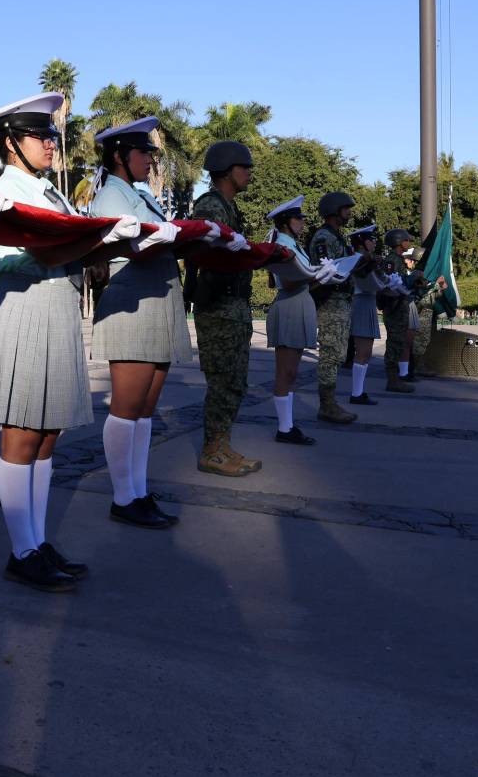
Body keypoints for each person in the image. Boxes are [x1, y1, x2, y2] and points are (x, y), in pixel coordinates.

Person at [0, 93, 110, 584]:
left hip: (56, 310)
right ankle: (21, 549)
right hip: (25, 308)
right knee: (23, 431)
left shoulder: (51, 191)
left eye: (52, 136)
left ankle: (37, 539)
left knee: (49, 432)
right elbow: (0, 260)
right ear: (11, 143)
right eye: (40, 136)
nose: (51, 144)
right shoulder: (0, 192)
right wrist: (74, 245)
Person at [89, 117, 199, 528]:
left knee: (146, 407)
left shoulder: (137, 194)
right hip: (132, 299)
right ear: (120, 155)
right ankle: (123, 496)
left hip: (155, 298)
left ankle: (137, 488)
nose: (150, 161)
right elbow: (127, 244)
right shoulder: (111, 196)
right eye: (143, 153)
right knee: (127, 406)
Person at [188, 141, 262, 476]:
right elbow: (204, 250)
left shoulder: (229, 207)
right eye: (244, 168)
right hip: (217, 306)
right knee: (222, 380)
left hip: (233, 305)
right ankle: (211, 451)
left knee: (235, 381)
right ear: (227, 171)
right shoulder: (210, 205)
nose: (249, 173)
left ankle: (222, 445)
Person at [264, 197, 335, 442]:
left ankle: (287, 425)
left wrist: (323, 277)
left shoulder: (294, 245)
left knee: (291, 372)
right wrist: (317, 275)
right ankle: (284, 429)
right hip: (290, 305)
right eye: (298, 219)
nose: (302, 223)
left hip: (299, 302)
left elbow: (302, 280)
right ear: (285, 222)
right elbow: (290, 281)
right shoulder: (283, 246)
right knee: (286, 371)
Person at [306, 192, 361, 425]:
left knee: (337, 353)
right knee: (330, 354)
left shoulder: (338, 237)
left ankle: (330, 402)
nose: (349, 212)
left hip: (341, 302)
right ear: (334, 210)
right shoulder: (323, 237)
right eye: (345, 209)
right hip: (330, 302)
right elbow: (323, 271)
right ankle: (327, 405)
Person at [379, 228, 425, 391]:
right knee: (395, 343)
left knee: (399, 343)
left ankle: (395, 378)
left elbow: (402, 281)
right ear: (398, 242)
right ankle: (392, 379)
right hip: (394, 307)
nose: (409, 243)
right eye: (406, 240)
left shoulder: (398, 260)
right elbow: (392, 283)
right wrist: (414, 276)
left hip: (400, 306)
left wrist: (415, 281)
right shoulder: (392, 261)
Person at [344, 224, 386, 404]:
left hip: (366, 302)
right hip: (361, 302)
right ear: (362, 242)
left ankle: (359, 392)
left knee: (365, 352)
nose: (374, 242)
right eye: (371, 239)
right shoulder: (359, 260)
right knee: (363, 351)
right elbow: (372, 283)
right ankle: (356, 393)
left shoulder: (363, 259)